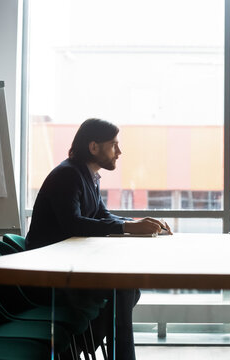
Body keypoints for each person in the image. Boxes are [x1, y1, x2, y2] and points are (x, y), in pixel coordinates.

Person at [26, 118, 170, 360]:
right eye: (113, 145)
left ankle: (72, 348)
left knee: (128, 291)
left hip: (71, 264)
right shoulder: (68, 175)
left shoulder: (88, 175)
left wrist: (136, 224)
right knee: (123, 291)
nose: (119, 152)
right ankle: (86, 351)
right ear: (93, 147)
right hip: (52, 272)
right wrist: (128, 228)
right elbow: (74, 223)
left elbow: (101, 214)